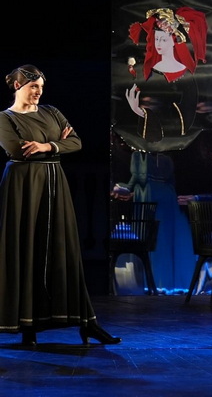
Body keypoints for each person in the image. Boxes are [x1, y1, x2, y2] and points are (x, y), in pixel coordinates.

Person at [0, 64, 121, 347]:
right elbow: (17, 150)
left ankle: (87, 323)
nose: (38, 92)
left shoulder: (52, 112)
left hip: (55, 183)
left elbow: (76, 142)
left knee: (63, 250)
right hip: (23, 187)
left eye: (41, 87)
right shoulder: (5, 118)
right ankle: (27, 327)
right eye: (33, 86)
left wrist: (46, 146)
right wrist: (56, 141)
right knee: (27, 248)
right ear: (18, 86)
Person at [118, 7, 208, 151]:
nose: (159, 43)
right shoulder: (148, 70)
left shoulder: (184, 76)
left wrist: (142, 112)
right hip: (140, 142)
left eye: (163, 39)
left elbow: (185, 115)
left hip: (174, 143)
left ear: (173, 41)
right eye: (157, 39)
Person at [111, 151, 194, 294]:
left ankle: (156, 282)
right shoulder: (164, 158)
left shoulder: (141, 156)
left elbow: (135, 181)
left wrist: (121, 188)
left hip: (152, 195)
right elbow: (171, 180)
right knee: (162, 237)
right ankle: (161, 282)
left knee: (156, 237)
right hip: (163, 195)